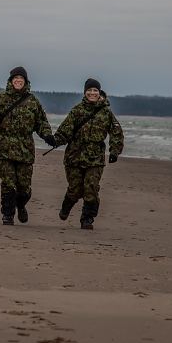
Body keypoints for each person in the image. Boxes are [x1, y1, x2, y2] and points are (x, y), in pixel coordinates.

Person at [0, 66, 55, 225]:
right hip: (3, 147)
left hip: (25, 149)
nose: (18, 81)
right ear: (10, 81)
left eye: (21, 79)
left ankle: (21, 204)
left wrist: (47, 135)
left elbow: (41, 122)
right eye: (15, 78)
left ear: (25, 82)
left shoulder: (33, 101)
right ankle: (7, 215)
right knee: (8, 183)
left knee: (24, 188)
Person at [54, 78, 124, 230]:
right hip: (74, 157)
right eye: (90, 90)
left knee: (91, 189)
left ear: (99, 93)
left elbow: (116, 132)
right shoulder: (77, 110)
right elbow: (65, 130)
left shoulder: (106, 113)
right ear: (85, 93)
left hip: (95, 159)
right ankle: (66, 206)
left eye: (95, 91)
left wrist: (114, 151)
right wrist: (54, 140)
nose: (92, 93)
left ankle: (87, 219)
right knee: (75, 189)